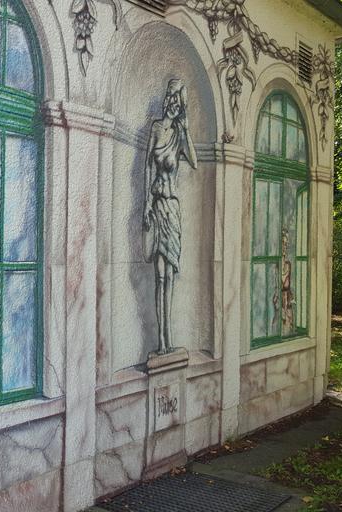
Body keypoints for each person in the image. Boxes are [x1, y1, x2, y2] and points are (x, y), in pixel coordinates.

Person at [143, 79, 198, 355]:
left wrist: (186, 130)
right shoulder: (156, 128)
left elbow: (195, 162)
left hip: (173, 209)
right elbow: (146, 167)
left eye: (180, 102)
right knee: (160, 275)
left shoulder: (178, 134)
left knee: (170, 276)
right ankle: (161, 340)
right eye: (173, 98)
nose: (175, 104)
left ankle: (170, 335)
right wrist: (145, 204)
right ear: (167, 99)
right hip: (157, 207)